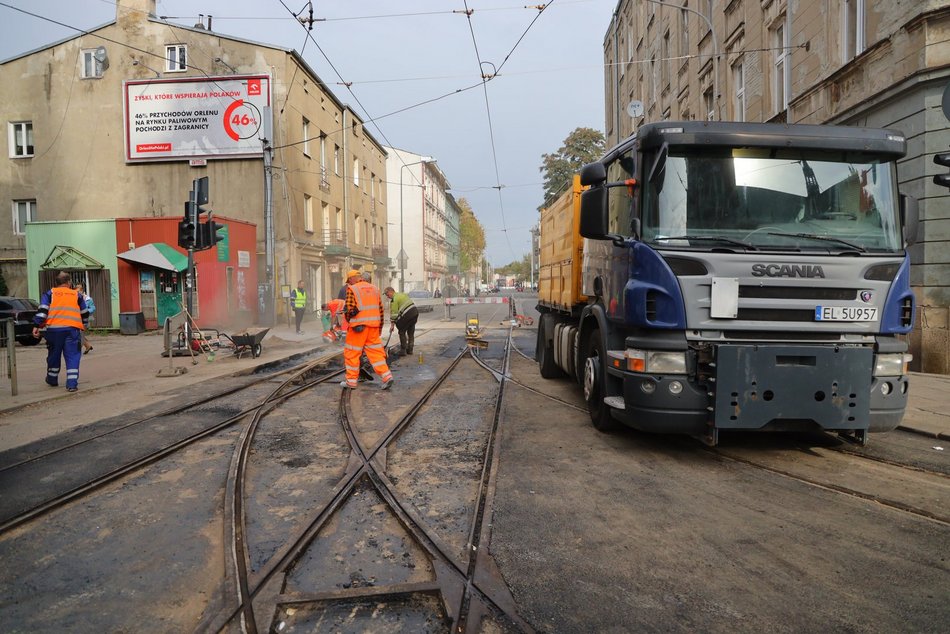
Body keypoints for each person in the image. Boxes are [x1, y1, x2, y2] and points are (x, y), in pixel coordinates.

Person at [33, 271, 89, 393]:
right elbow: (84, 312)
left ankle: (52, 378)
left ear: (56, 283)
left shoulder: (50, 294)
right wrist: (84, 324)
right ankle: (72, 384)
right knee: (73, 355)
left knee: (54, 354)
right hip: (72, 329)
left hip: (54, 330)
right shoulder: (76, 295)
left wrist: (36, 325)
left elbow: (42, 312)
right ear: (69, 282)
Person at [340, 269, 393, 390]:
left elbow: (349, 309)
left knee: (352, 353)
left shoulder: (353, 289)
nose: (349, 283)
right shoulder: (375, 289)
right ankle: (387, 377)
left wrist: (348, 320)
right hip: (373, 327)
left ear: (354, 278)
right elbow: (381, 310)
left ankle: (351, 382)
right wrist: (379, 329)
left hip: (358, 328)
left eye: (349, 281)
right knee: (376, 353)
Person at [383, 286, 419, 357]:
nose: (387, 296)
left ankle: (403, 350)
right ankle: (410, 349)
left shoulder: (394, 299)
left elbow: (394, 314)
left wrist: (392, 325)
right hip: (415, 313)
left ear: (391, 291)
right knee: (410, 331)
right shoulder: (402, 294)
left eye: (387, 294)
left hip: (408, 314)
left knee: (401, 331)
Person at [75, 283, 96, 354]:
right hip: (76, 318)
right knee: (79, 334)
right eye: (76, 290)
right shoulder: (74, 298)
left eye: (79, 290)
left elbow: (93, 308)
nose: (78, 292)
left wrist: (86, 311)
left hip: (85, 319)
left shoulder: (88, 299)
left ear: (82, 290)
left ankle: (77, 350)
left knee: (80, 334)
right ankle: (88, 346)